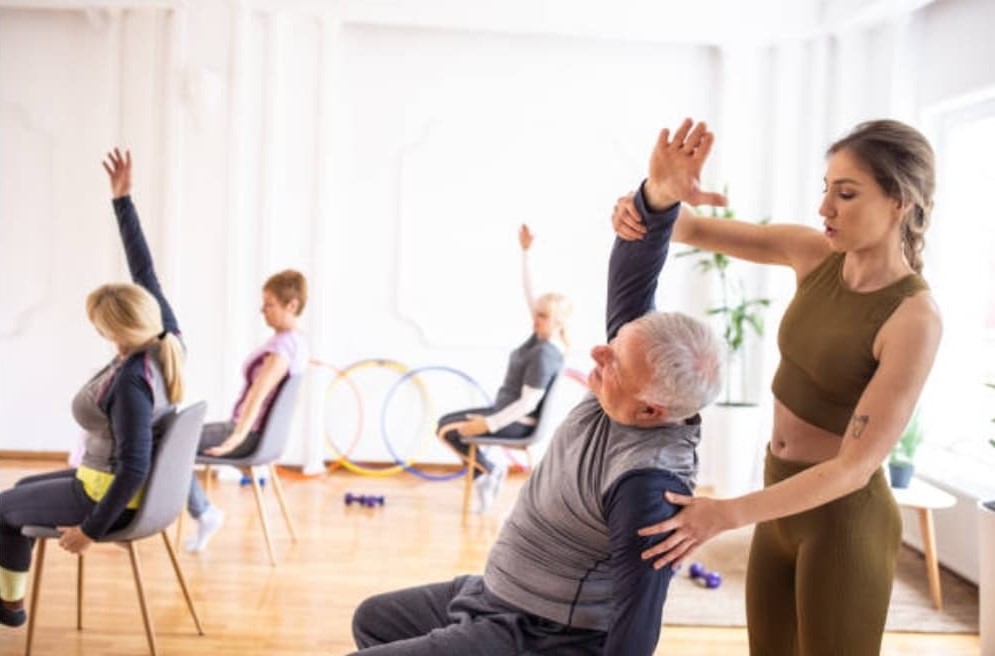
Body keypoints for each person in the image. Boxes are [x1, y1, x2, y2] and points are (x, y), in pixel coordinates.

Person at [350, 127, 723, 655]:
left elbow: (638, 623)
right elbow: (633, 272)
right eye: (613, 344)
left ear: (651, 409)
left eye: (613, 360)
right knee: (376, 620)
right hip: (494, 593)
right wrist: (657, 197)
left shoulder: (647, 484)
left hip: (541, 634)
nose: (597, 353)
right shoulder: (638, 370)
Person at [613, 118, 942, 656]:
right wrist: (653, 195)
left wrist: (725, 513)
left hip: (843, 523)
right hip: (779, 503)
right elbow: (687, 228)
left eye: (846, 193)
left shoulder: (914, 317)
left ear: (899, 201)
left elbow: (853, 468)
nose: (825, 208)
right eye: (826, 189)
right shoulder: (813, 255)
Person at [0, 148, 185, 627]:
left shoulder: (131, 382)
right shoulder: (165, 339)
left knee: (1, 507)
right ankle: (10, 598)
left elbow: (134, 466)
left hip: (105, 499)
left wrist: (88, 530)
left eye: (99, 326)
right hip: (109, 487)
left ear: (116, 331)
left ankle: (9, 609)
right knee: (20, 486)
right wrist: (123, 201)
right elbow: (144, 273)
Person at [436, 224, 572, 513]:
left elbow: (528, 403)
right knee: (445, 424)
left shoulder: (545, 353)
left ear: (558, 322)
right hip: (505, 412)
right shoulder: (543, 337)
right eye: (536, 314)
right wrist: (526, 253)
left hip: (515, 422)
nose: (535, 318)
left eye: (543, 316)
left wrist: (489, 424)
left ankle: (488, 471)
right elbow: (530, 294)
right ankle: (487, 472)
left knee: (447, 429)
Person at [183, 268, 309, 553]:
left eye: (269, 305)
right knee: (170, 441)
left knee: (166, 445)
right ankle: (203, 511)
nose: (262, 311)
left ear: (292, 305)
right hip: (258, 436)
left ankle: (204, 512)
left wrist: (238, 438)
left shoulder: (282, 348)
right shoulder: (299, 342)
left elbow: (258, 394)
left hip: (245, 431)